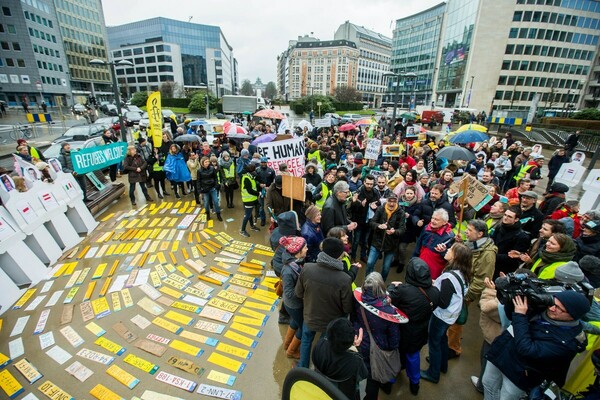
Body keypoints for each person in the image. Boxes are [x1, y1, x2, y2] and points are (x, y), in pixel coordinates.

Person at [483, 290, 590, 399]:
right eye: (553, 303)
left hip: (519, 374)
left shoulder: (567, 343)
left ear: (573, 316)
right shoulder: (543, 307)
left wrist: (520, 316)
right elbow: (511, 315)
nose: (551, 308)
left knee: (505, 397)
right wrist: (514, 296)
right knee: (487, 384)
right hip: (502, 354)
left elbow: (527, 349)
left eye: (558, 308)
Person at [295, 237, 354, 369]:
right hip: (330, 323)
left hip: (310, 316)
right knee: (323, 346)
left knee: (306, 341)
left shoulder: (308, 268)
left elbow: (298, 293)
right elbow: (347, 307)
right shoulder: (345, 279)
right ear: (340, 255)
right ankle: (318, 370)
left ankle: (303, 368)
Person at [421, 243, 472, 384]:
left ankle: (433, 373)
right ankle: (442, 365)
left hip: (441, 316)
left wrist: (431, 290)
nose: (447, 250)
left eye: (450, 250)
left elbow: (442, 302)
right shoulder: (463, 273)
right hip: (451, 316)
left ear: (455, 256)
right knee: (442, 339)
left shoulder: (449, 276)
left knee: (434, 342)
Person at [388, 258, 441, 395]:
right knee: (413, 356)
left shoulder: (404, 291)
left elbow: (388, 299)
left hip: (401, 331)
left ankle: (389, 382)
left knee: (395, 356)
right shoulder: (435, 292)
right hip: (420, 331)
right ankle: (414, 384)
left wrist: (392, 287)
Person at [448, 220, 497, 359]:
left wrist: (466, 296)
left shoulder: (487, 254)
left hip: (464, 292)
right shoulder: (472, 244)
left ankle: (453, 348)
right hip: (458, 286)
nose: (466, 232)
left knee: (455, 320)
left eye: (469, 230)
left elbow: (482, 280)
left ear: (480, 234)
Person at [353, 272, 402, 399]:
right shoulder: (389, 312)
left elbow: (354, 319)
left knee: (362, 373)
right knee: (373, 379)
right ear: (381, 288)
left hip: (360, 342)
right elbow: (394, 341)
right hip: (379, 347)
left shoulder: (358, 301)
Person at [312, 318, 368, 400]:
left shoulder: (320, 344)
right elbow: (363, 375)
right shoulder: (355, 361)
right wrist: (357, 349)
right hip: (342, 395)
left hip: (320, 388)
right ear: (350, 342)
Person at [365, 193, 406, 281]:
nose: (391, 203)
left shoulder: (401, 213)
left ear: (397, 201)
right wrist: (379, 226)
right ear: (386, 200)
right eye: (390, 201)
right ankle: (368, 281)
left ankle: (381, 284)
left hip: (391, 245)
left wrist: (394, 231)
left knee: (386, 268)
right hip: (377, 241)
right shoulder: (380, 209)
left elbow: (402, 229)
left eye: (394, 201)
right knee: (370, 263)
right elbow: (372, 222)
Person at [280, 236, 308, 360]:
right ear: (298, 251)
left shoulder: (297, 263)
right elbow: (289, 293)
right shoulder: (288, 270)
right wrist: (304, 292)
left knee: (295, 321)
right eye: (305, 247)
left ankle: (286, 345)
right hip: (293, 304)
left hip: (293, 304)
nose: (307, 249)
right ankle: (291, 351)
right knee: (303, 327)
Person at [413, 208, 455, 279]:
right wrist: (413, 259)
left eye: (436, 219)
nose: (433, 221)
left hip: (434, 270)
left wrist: (443, 251)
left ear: (445, 222)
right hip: (420, 263)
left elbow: (450, 257)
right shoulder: (426, 228)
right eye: (432, 218)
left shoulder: (450, 236)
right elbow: (418, 245)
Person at [491, 206, 531, 277]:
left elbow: (514, 257)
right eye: (505, 215)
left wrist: (492, 255)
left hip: (505, 269)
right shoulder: (499, 227)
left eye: (509, 216)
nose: (505, 218)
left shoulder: (522, 236)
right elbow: (492, 242)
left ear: (516, 219)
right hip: (491, 263)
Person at [349, 175, 378, 262]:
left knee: (365, 241)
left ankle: (363, 255)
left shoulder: (375, 192)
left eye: (371, 184)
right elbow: (352, 207)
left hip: (369, 222)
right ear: (364, 182)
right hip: (359, 221)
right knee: (356, 241)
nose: (369, 186)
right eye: (368, 183)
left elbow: (378, 203)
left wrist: (375, 207)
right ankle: (353, 256)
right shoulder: (359, 192)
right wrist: (360, 205)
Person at [239, 164, 261, 237]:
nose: (255, 171)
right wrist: (258, 193)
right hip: (248, 200)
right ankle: (242, 230)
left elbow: (254, 187)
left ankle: (252, 226)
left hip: (253, 199)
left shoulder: (250, 177)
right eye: (253, 170)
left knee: (250, 214)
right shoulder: (246, 178)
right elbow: (250, 190)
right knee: (247, 215)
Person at [198, 156, 222, 221]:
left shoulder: (212, 168)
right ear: (202, 163)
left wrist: (216, 185)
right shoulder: (199, 171)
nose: (207, 163)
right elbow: (198, 181)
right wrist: (200, 191)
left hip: (212, 188)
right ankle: (208, 215)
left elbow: (215, 178)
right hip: (205, 189)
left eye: (208, 162)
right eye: (206, 162)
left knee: (216, 201)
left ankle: (218, 214)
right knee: (206, 203)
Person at [255, 157, 276, 226]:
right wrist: (259, 184)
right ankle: (263, 219)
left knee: (270, 206)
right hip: (261, 191)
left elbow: (274, 181)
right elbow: (254, 180)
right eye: (262, 162)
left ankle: (272, 219)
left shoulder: (271, 170)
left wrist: (269, 187)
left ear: (267, 162)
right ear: (260, 162)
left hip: (269, 191)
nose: (263, 164)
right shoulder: (257, 170)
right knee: (261, 206)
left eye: (265, 162)